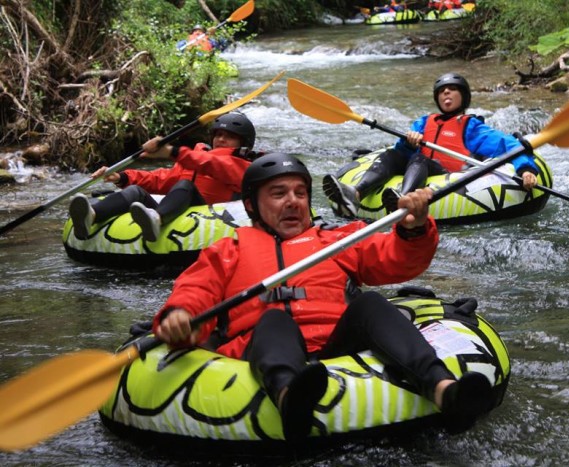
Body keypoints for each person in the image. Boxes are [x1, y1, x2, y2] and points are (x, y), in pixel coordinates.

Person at [152, 153, 494, 443]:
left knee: (372, 304)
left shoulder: (337, 239)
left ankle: (443, 389)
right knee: (274, 318)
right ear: (252, 205)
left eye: (301, 193)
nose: (293, 201)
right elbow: (196, 291)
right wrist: (180, 316)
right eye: (278, 193)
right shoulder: (229, 249)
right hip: (261, 349)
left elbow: (397, 259)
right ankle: (289, 398)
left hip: (336, 345)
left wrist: (414, 227)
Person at [323, 72, 539, 217]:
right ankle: (355, 193)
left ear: (463, 97)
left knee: (419, 158)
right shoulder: (424, 122)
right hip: (417, 167)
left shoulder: (471, 126)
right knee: (392, 155)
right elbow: (401, 153)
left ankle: (405, 200)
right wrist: (408, 143)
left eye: (453, 89)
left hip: (446, 173)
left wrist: (526, 168)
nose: (446, 92)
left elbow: (509, 146)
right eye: (442, 90)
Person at [69, 112, 257, 241]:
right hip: (176, 211)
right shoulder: (197, 157)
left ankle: (157, 219)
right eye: (219, 134)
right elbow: (161, 178)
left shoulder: (243, 166)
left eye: (230, 136)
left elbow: (212, 165)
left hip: (209, 218)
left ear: (243, 143)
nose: (221, 139)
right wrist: (123, 177)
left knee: (186, 185)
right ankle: (91, 215)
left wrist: (174, 151)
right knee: (135, 191)